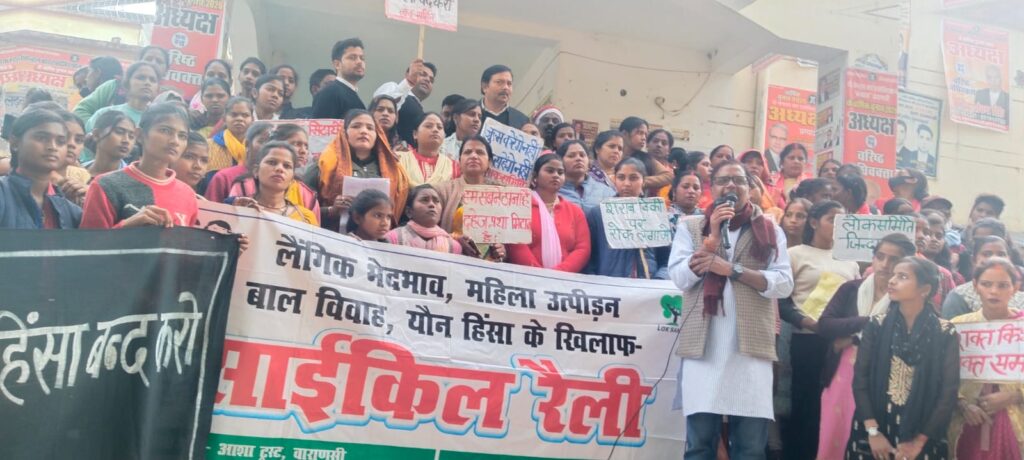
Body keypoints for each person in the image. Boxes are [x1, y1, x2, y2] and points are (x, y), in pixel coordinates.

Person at [668, 160, 794, 460]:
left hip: (750, 351)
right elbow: (680, 279)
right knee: (700, 445)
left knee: (750, 448)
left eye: (738, 180)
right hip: (704, 350)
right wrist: (711, 240)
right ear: (712, 188)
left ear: (750, 188)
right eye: (723, 180)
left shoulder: (770, 229)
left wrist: (732, 270)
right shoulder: (690, 227)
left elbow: (784, 284)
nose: (731, 186)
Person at [817, 233, 918, 460]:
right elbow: (825, 325)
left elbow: (900, 338)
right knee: (833, 437)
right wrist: (870, 322)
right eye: (880, 256)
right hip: (840, 375)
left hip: (883, 383)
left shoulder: (907, 299)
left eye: (893, 259)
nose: (885, 264)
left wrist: (853, 338)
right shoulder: (851, 289)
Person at [847, 257, 959, 460]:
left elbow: (948, 392)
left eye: (903, 277)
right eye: (893, 275)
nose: (892, 281)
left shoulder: (945, 332)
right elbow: (860, 379)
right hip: (874, 429)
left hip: (924, 430)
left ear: (925, 289)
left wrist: (919, 441)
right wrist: (873, 431)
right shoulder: (877, 325)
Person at [782, 200, 860, 460]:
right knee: (805, 400)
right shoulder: (795, 254)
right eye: (832, 219)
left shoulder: (849, 262)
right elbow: (782, 302)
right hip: (806, 339)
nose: (838, 225)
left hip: (838, 342)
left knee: (833, 400)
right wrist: (808, 322)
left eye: (842, 220)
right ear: (814, 222)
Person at [948, 257, 1024, 459]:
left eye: (1003, 285)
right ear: (975, 286)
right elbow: (942, 377)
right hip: (968, 420)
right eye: (987, 284)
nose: (994, 291)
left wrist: (1014, 396)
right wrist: (963, 404)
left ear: (1015, 288)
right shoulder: (957, 326)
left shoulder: (1021, 326)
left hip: (1016, 419)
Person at [80, 103, 198, 229]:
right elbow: (89, 240)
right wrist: (126, 227)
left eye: (182, 136)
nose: (175, 141)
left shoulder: (188, 195)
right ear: (140, 135)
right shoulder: (106, 185)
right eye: (165, 130)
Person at [308, 109, 410, 232]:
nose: (363, 131)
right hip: (333, 237)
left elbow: (404, 213)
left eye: (370, 128)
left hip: (379, 240)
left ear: (377, 135)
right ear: (344, 132)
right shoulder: (325, 164)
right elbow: (302, 206)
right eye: (356, 126)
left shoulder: (394, 170)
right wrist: (331, 210)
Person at [507, 154, 591, 272]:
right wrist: (540, 276)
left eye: (560, 172)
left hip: (565, 280)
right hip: (526, 279)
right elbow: (516, 245)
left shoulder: (575, 212)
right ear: (535, 176)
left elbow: (583, 248)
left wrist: (559, 273)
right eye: (550, 171)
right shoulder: (519, 207)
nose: (556, 175)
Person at [0, 109, 82, 228]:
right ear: (15, 143)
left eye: (60, 141)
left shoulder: (70, 209)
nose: (53, 147)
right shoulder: (3, 194)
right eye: (42, 138)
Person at [586, 158, 659, 278]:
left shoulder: (655, 214)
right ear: (614, 180)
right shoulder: (598, 214)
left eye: (633, 178)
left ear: (644, 181)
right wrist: (594, 281)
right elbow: (589, 258)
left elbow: (666, 258)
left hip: (647, 285)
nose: (627, 184)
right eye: (621, 178)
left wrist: (659, 279)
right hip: (608, 284)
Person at [226, 124, 319, 215]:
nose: (303, 151)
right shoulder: (243, 186)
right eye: (296, 144)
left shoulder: (307, 195)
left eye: (287, 166)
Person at [83, 62, 161, 160]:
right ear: (127, 83)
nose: (147, 83)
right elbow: (84, 150)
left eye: (153, 80)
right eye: (141, 78)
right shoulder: (104, 114)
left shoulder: (158, 122)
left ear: (157, 89)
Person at [943, 236, 1024, 319]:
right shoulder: (959, 296)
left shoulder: (1021, 300)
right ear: (973, 260)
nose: (994, 258)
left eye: (1001, 254)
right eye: (987, 254)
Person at [203, 121, 272, 203]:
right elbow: (211, 209)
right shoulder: (224, 177)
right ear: (247, 145)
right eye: (262, 141)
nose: (268, 147)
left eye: (272, 143)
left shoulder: (279, 179)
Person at [387, 184, 466, 255]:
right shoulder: (393, 239)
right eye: (424, 200)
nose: (432, 204)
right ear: (409, 212)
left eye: (436, 201)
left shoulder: (454, 247)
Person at [376, 59, 436, 146]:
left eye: (431, 80)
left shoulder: (421, 110)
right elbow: (383, 106)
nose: (427, 80)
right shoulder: (392, 88)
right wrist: (409, 82)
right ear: (408, 74)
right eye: (423, 74)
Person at [398, 113, 460, 186]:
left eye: (439, 127)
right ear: (415, 134)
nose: (435, 130)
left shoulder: (454, 167)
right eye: (428, 126)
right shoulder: (399, 160)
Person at [312, 38, 367, 119]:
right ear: (337, 64)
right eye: (352, 57)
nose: (359, 62)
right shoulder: (329, 93)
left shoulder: (351, 94)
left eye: (362, 58)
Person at [557, 139, 615, 214]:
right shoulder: (553, 191)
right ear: (560, 161)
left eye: (582, 155)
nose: (578, 158)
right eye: (571, 156)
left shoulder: (606, 192)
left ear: (588, 160)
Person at [206, 97, 255, 171]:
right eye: (234, 115)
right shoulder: (209, 146)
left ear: (252, 119)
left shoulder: (256, 146)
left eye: (245, 115)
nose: (239, 119)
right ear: (224, 118)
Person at [82, 110, 136, 177]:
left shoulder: (131, 180)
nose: (126, 140)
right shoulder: (76, 173)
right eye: (119, 132)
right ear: (97, 134)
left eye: (131, 136)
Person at [921, 210, 961, 283]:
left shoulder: (952, 276)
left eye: (939, 236)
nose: (934, 239)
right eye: (928, 234)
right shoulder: (909, 267)